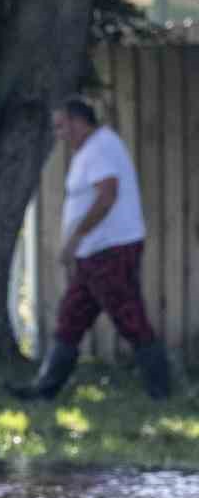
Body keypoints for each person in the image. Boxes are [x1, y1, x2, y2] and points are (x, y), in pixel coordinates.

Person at [9, 96, 171, 401]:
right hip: (93, 255)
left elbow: (107, 196)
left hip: (109, 251)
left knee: (129, 317)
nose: (59, 135)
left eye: (61, 127)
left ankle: (161, 392)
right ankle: (43, 390)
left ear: (77, 121)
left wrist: (76, 238)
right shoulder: (92, 150)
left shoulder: (101, 148)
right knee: (71, 318)